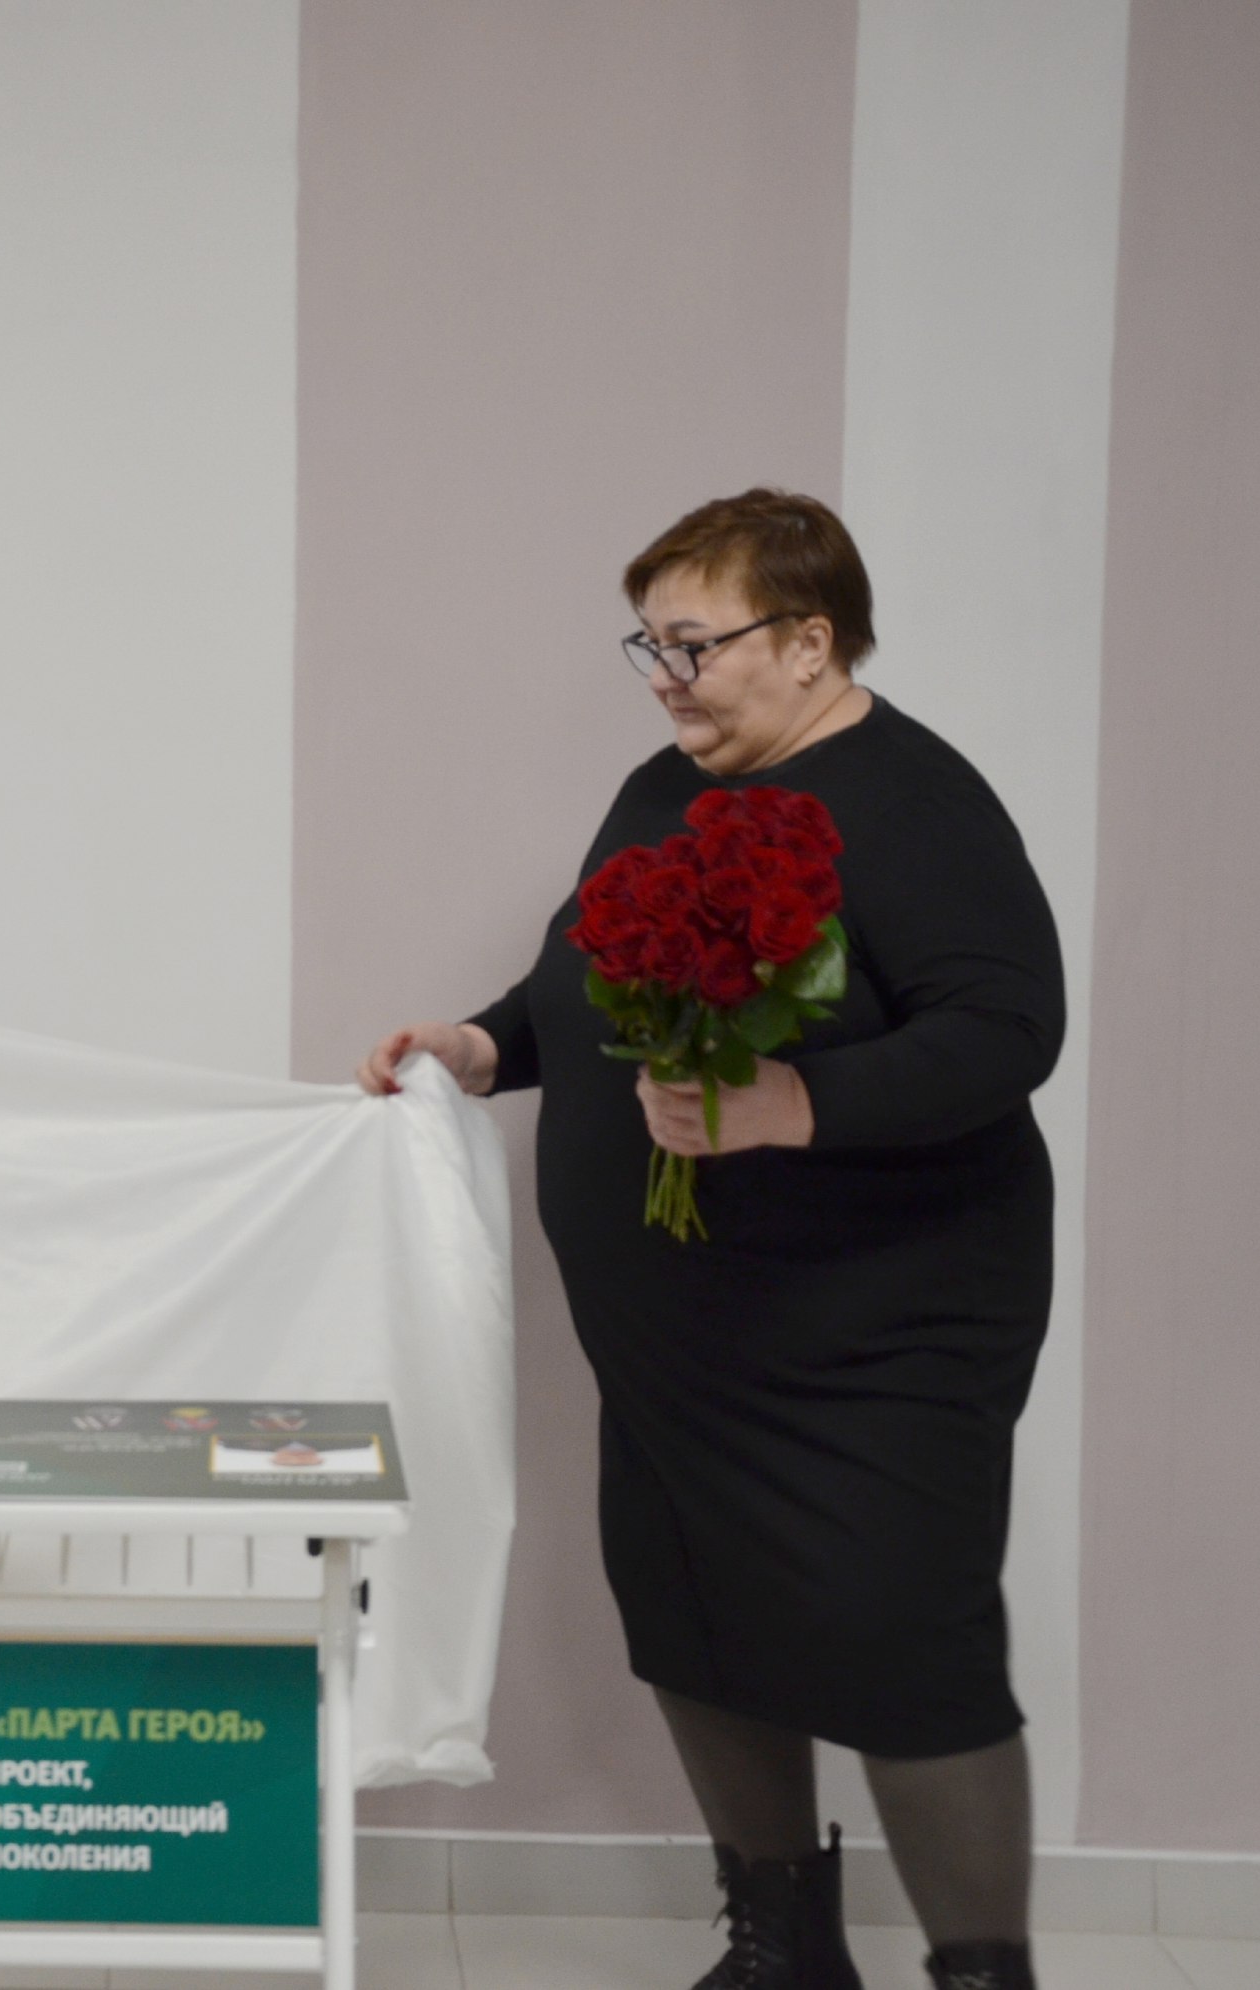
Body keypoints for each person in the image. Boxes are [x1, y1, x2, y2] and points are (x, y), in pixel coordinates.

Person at [358, 490, 1060, 1990]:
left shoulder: (917, 801)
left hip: (875, 1326)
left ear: (809, 642)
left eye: (694, 644)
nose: (666, 677)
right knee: (695, 1609)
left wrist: (794, 1101)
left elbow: (1007, 1029)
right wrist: (481, 1044)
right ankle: (780, 1953)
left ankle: (982, 1973)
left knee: (902, 1632)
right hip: (684, 1335)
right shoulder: (665, 787)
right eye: (650, 646)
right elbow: (581, 976)